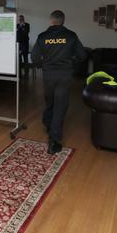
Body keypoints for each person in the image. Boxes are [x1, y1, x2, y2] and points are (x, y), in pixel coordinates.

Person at [32, 10, 87, 154]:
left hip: (48, 75)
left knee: (50, 102)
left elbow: (35, 58)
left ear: (51, 21)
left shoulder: (42, 36)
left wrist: (43, 66)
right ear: (63, 21)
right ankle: (54, 141)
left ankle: (48, 124)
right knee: (60, 105)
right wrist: (71, 63)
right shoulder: (71, 36)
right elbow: (82, 55)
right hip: (64, 75)